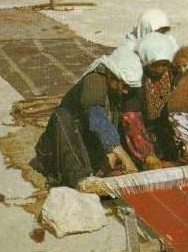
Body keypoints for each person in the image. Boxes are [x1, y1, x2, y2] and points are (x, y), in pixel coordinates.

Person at [32, 44, 146, 188]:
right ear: (111, 75)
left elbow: (114, 123)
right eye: (124, 86)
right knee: (62, 116)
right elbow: (98, 121)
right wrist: (125, 159)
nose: (125, 91)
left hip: (88, 144)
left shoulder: (117, 89)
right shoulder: (94, 81)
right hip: (63, 146)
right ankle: (79, 179)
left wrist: (111, 156)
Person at [123, 32, 187, 165]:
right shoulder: (136, 78)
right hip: (138, 128)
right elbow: (132, 117)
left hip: (160, 127)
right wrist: (148, 154)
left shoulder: (172, 74)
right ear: (145, 61)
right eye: (154, 65)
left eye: (164, 65)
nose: (159, 70)